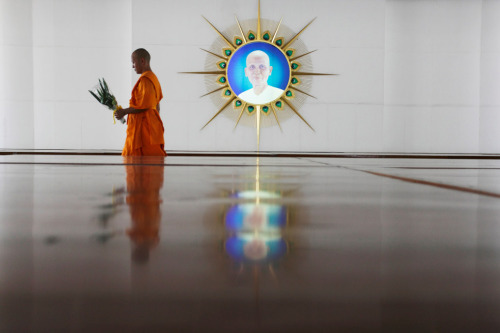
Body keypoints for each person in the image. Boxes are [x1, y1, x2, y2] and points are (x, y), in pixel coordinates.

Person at [115, 48, 167, 156]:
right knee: (149, 164)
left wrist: (124, 111)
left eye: (133, 62)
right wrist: (155, 125)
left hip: (143, 131)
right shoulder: (153, 78)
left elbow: (144, 105)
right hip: (149, 126)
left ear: (142, 61)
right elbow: (157, 106)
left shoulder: (146, 80)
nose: (133, 66)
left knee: (141, 163)